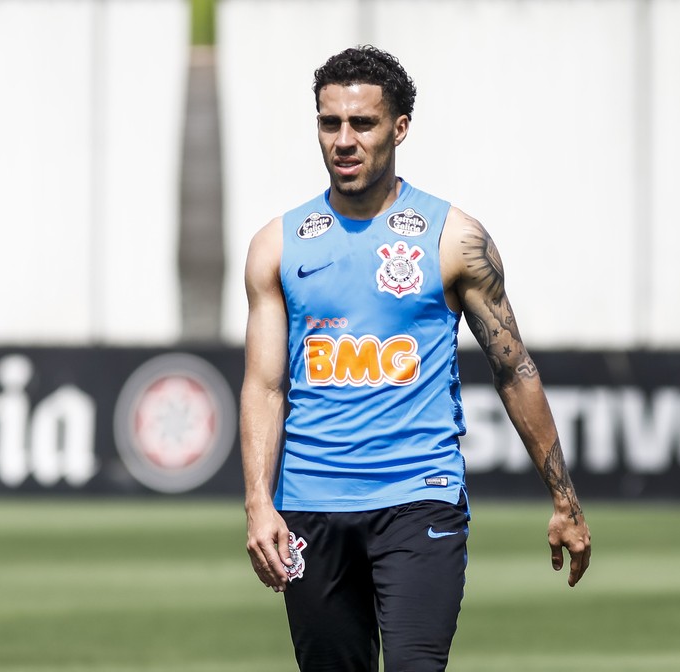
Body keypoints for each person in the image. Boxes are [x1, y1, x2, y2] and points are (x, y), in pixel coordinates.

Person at [240, 44, 591, 671]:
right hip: (310, 504)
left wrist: (563, 499)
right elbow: (264, 387)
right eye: (330, 123)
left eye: (363, 123)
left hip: (419, 497)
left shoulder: (454, 238)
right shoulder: (276, 245)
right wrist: (258, 504)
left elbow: (514, 370)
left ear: (399, 128)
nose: (344, 140)